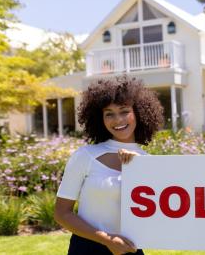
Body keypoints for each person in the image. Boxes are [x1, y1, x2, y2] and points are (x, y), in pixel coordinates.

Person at [54, 76, 164, 255]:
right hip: (87, 248)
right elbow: (61, 214)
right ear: (100, 119)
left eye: (124, 111)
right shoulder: (85, 156)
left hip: (131, 250)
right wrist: (106, 239)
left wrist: (142, 167)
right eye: (109, 114)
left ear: (138, 112)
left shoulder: (147, 161)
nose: (118, 120)